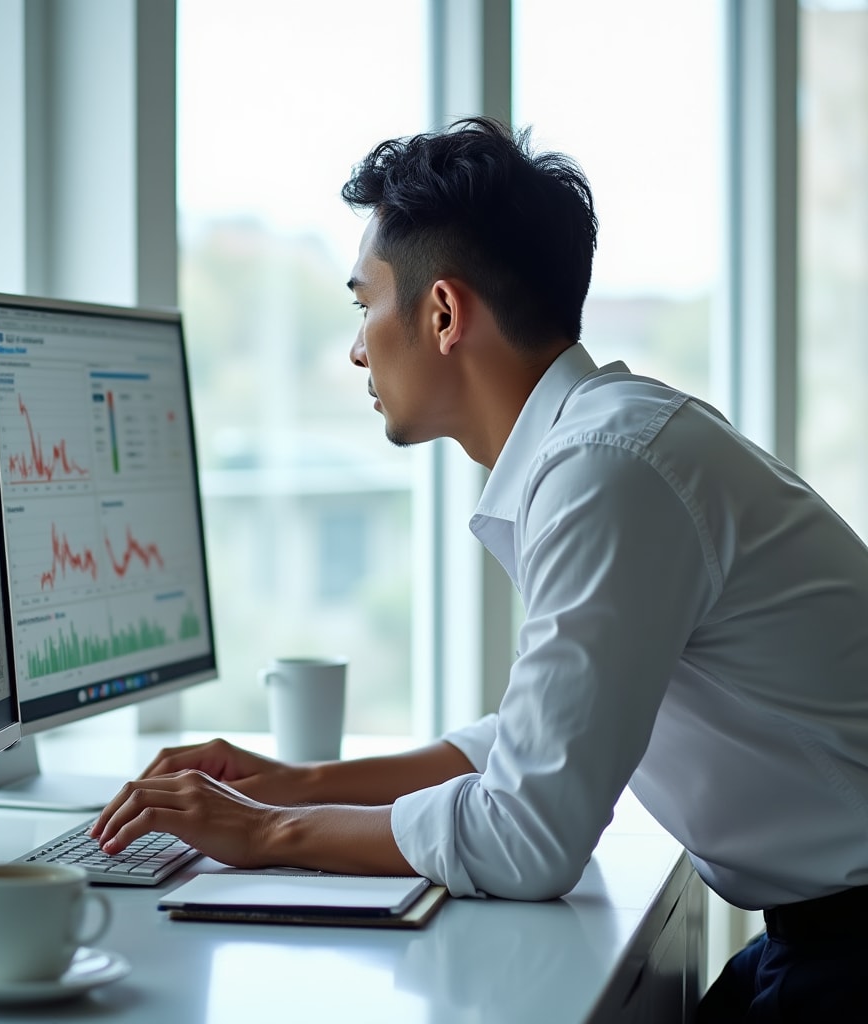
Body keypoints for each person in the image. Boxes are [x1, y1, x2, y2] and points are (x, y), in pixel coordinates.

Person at [92, 118, 868, 1020]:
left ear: (443, 313)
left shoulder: (606, 469)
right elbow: (530, 743)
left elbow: (527, 836)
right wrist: (295, 781)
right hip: (822, 929)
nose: (355, 349)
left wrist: (268, 833)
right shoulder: (605, 444)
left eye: (361, 306)